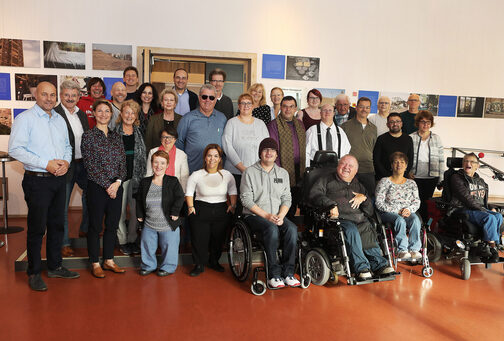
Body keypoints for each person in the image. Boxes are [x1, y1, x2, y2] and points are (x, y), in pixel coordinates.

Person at [9, 81, 79, 291]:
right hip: (37, 180)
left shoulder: (59, 119)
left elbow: (68, 146)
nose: (49, 99)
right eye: (45, 95)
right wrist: (46, 163)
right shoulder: (25, 119)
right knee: (38, 228)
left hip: (59, 179)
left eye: (52, 95)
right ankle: (33, 272)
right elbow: (15, 149)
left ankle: (55, 266)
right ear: (36, 96)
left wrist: (66, 162)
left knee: (57, 225)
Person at [310, 155, 395, 280]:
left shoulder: (358, 184)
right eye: (343, 164)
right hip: (337, 220)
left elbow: (369, 211)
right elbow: (314, 194)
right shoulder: (326, 179)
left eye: (351, 166)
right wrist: (330, 204)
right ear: (338, 166)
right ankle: (361, 268)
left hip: (359, 219)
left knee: (367, 227)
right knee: (351, 230)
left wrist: (364, 199)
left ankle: (379, 265)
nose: (346, 168)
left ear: (355, 171)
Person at [240, 138, 300, 288]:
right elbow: (246, 200)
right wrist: (267, 216)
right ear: (260, 153)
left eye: (272, 150)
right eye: (265, 150)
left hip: (277, 215)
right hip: (254, 216)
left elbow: (287, 198)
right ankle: (273, 275)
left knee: (292, 229)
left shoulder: (283, 173)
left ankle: (288, 273)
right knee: (271, 229)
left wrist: (281, 216)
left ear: (276, 154)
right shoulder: (249, 172)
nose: (269, 153)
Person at [81, 99, 127, 278]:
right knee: (94, 226)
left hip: (116, 187)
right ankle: (94, 262)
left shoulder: (116, 136)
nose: (103, 114)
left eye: (107, 111)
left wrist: (117, 183)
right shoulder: (88, 136)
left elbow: (122, 163)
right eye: (100, 111)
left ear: (111, 114)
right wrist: (108, 185)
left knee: (112, 225)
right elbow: (89, 165)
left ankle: (108, 260)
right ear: (94, 113)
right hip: (97, 188)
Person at [185, 144, 237, 276]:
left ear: (220, 159)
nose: (212, 159)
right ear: (205, 158)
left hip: (221, 210)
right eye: (209, 155)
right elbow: (189, 192)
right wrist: (191, 207)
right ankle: (199, 264)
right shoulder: (196, 175)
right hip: (200, 209)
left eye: (216, 156)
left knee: (218, 239)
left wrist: (233, 205)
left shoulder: (227, 175)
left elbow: (232, 190)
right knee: (199, 239)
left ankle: (214, 262)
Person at [54, 80, 90, 257]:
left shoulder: (81, 114)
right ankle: (64, 242)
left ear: (78, 97)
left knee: (91, 197)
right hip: (64, 165)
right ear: (61, 95)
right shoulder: (54, 114)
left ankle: (85, 229)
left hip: (83, 164)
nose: (70, 98)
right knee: (63, 205)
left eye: (73, 95)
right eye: (67, 95)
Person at [136, 150, 185, 276]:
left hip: (168, 224)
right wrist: (139, 215)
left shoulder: (173, 181)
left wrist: (175, 212)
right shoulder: (144, 182)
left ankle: (167, 267)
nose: (159, 166)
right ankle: (148, 265)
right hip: (149, 224)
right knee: (147, 246)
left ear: (167, 165)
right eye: (156, 162)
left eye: (162, 163)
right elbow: (139, 200)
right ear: (151, 164)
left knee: (169, 247)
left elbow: (180, 197)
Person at [449, 153, 502, 262]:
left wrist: (490, 208)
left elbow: (482, 199)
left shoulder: (481, 181)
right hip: (462, 208)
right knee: (490, 218)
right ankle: (492, 248)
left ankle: (490, 245)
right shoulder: (456, 178)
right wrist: (484, 210)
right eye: (465, 161)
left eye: (472, 162)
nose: (468, 163)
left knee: (498, 216)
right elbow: (466, 198)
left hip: (478, 209)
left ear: (477, 166)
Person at [114, 100, 147, 255]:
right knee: (119, 212)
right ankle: (122, 241)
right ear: (121, 114)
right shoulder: (113, 132)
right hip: (119, 179)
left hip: (136, 179)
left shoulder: (139, 132)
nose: (129, 115)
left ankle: (133, 240)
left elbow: (143, 158)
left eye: (133, 113)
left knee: (135, 212)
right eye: (126, 112)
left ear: (136, 116)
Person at [375, 152, 422, 260]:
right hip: (388, 213)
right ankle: (402, 250)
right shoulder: (384, 182)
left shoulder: (412, 183)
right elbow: (379, 203)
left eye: (402, 162)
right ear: (391, 165)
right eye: (396, 162)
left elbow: (416, 201)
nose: (399, 165)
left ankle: (414, 249)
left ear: (406, 166)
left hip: (407, 212)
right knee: (399, 220)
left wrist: (408, 209)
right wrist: (398, 211)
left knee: (415, 219)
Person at [222, 93, 269, 196]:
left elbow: (266, 147)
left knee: (254, 204)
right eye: (243, 103)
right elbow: (227, 146)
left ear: (253, 106)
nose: (246, 106)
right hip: (234, 173)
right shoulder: (231, 123)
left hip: (257, 173)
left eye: (249, 103)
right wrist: (242, 168)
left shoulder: (260, 124)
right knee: (235, 205)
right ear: (238, 106)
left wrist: (259, 168)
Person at [267, 96, 306, 218]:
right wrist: (279, 172)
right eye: (285, 106)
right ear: (281, 108)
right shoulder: (273, 125)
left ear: (295, 108)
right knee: (281, 205)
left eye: (291, 106)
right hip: (281, 171)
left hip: (299, 170)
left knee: (293, 203)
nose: (288, 109)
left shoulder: (299, 124)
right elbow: (273, 151)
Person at [175, 84, 227, 173]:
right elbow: (178, 142)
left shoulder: (222, 118)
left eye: (211, 98)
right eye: (204, 97)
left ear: (215, 100)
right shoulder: (187, 118)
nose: (207, 100)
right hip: (192, 170)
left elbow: (226, 144)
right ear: (199, 98)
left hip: (216, 172)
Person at [410, 110, 445, 221]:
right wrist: (407, 173)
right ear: (418, 123)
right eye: (423, 122)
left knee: (427, 202)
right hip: (415, 176)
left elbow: (441, 160)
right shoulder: (411, 137)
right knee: (415, 201)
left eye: (428, 122)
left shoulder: (437, 138)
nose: (425, 125)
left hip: (432, 176)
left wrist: (441, 179)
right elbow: (406, 158)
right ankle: (415, 224)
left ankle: (425, 226)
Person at [341, 97, 377, 196]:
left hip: (368, 169)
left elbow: (374, 149)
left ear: (370, 109)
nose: (364, 110)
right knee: (347, 196)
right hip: (349, 169)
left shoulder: (373, 128)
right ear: (356, 108)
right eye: (361, 107)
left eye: (367, 107)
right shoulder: (345, 126)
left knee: (369, 197)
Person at [146, 126, 189, 191]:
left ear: (175, 139)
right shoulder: (153, 152)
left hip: (175, 189)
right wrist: (147, 190)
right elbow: (149, 172)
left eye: (170, 137)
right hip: (155, 188)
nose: (167, 140)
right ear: (160, 139)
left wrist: (183, 194)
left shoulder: (182, 155)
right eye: (164, 137)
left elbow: (184, 177)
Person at [373, 112, 414, 181]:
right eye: (392, 122)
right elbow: (376, 160)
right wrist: (388, 176)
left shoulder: (408, 139)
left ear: (401, 124)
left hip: (402, 178)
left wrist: (402, 175)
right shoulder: (381, 139)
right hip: (384, 178)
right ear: (387, 125)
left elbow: (410, 160)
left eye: (397, 121)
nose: (395, 124)